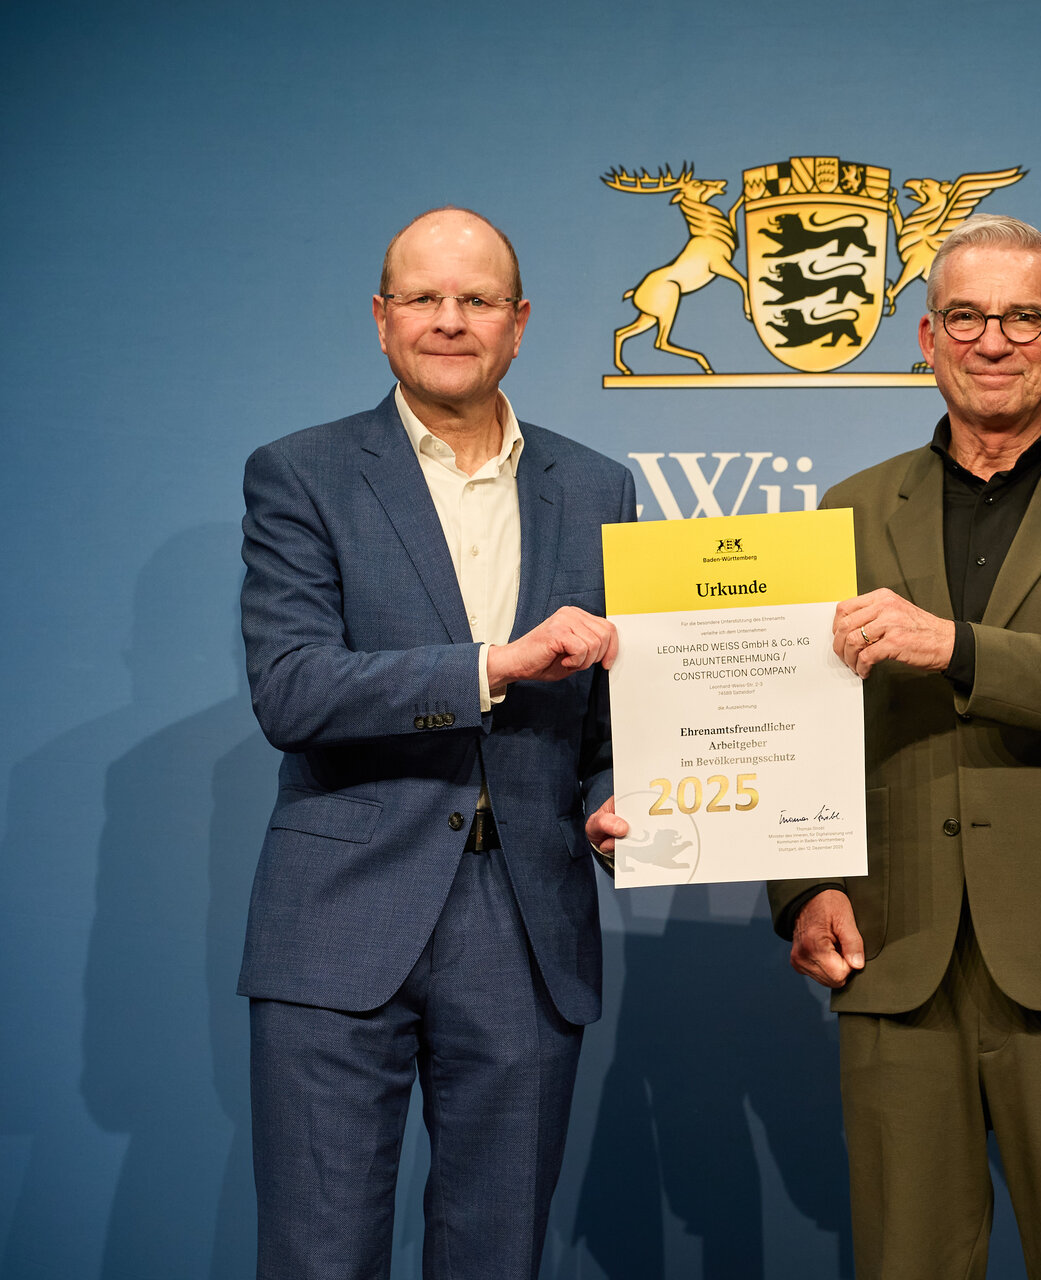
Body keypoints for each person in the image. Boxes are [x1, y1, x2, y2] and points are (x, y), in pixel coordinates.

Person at [769, 214, 1041, 1279]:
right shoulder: (849, 507)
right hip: (896, 950)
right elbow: (795, 717)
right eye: (966, 315)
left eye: (1023, 317)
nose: (993, 340)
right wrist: (802, 882)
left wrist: (956, 646)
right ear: (926, 337)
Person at [239, 207, 636, 1279]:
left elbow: (605, 715)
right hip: (341, 920)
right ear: (381, 319)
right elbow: (291, 688)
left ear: (519, 323)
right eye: (423, 297)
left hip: (525, 924)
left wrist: (612, 798)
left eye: (477, 300)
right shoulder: (300, 473)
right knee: (320, 1255)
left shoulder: (599, 486)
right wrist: (491, 666)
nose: (449, 321)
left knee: (497, 1256)